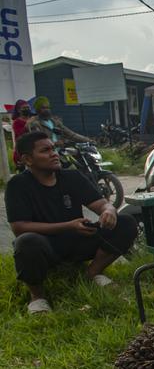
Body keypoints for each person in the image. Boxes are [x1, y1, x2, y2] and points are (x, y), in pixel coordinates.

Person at [5, 132, 137, 314]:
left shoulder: (72, 177)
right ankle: (37, 297)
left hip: (78, 240)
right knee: (25, 242)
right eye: (45, 150)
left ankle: (92, 273)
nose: (54, 154)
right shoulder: (17, 185)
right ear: (27, 159)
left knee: (126, 222)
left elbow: (101, 204)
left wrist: (108, 211)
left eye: (53, 149)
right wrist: (68, 226)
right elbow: (19, 227)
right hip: (46, 247)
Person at [11, 99, 32, 165]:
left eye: (28, 107)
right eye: (24, 108)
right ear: (19, 110)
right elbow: (20, 134)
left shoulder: (33, 119)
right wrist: (27, 125)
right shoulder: (17, 122)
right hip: (22, 151)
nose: (27, 109)